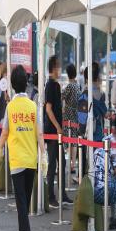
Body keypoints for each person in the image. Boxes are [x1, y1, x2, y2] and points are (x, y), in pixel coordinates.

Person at [0, 65, 45, 231]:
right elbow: (39, 134)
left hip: (16, 160)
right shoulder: (32, 106)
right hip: (31, 159)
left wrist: (0, 151)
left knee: (21, 201)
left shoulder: (11, 107)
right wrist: (43, 156)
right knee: (25, 198)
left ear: (13, 85)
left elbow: (5, 132)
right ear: (26, 84)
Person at [44, 55, 73, 208]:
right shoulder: (51, 86)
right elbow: (48, 109)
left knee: (61, 162)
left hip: (56, 130)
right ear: (53, 68)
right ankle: (50, 196)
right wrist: (57, 126)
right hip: (53, 131)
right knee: (53, 164)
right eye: (58, 67)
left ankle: (61, 194)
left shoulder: (54, 85)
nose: (59, 69)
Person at [62, 64, 80, 173]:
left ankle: (70, 163)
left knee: (68, 139)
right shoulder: (78, 85)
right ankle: (73, 164)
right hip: (76, 113)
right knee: (74, 140)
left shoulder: (69, 86)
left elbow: (62, 96)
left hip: (68, 114)